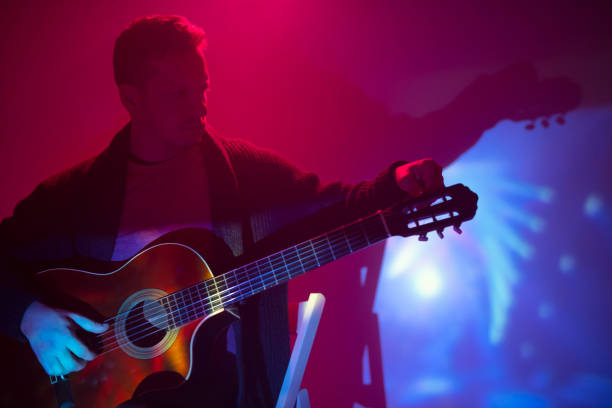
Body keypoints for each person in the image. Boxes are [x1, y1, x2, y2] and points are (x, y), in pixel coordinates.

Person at [0, 14, 445, 407]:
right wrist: (27, 315)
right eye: (178, 94)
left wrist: (396, 183)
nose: (200, 107)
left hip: (228, 395)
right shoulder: (74, 197)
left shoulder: (248, 175)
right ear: (131, 100)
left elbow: (337, 203)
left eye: (202, 89)